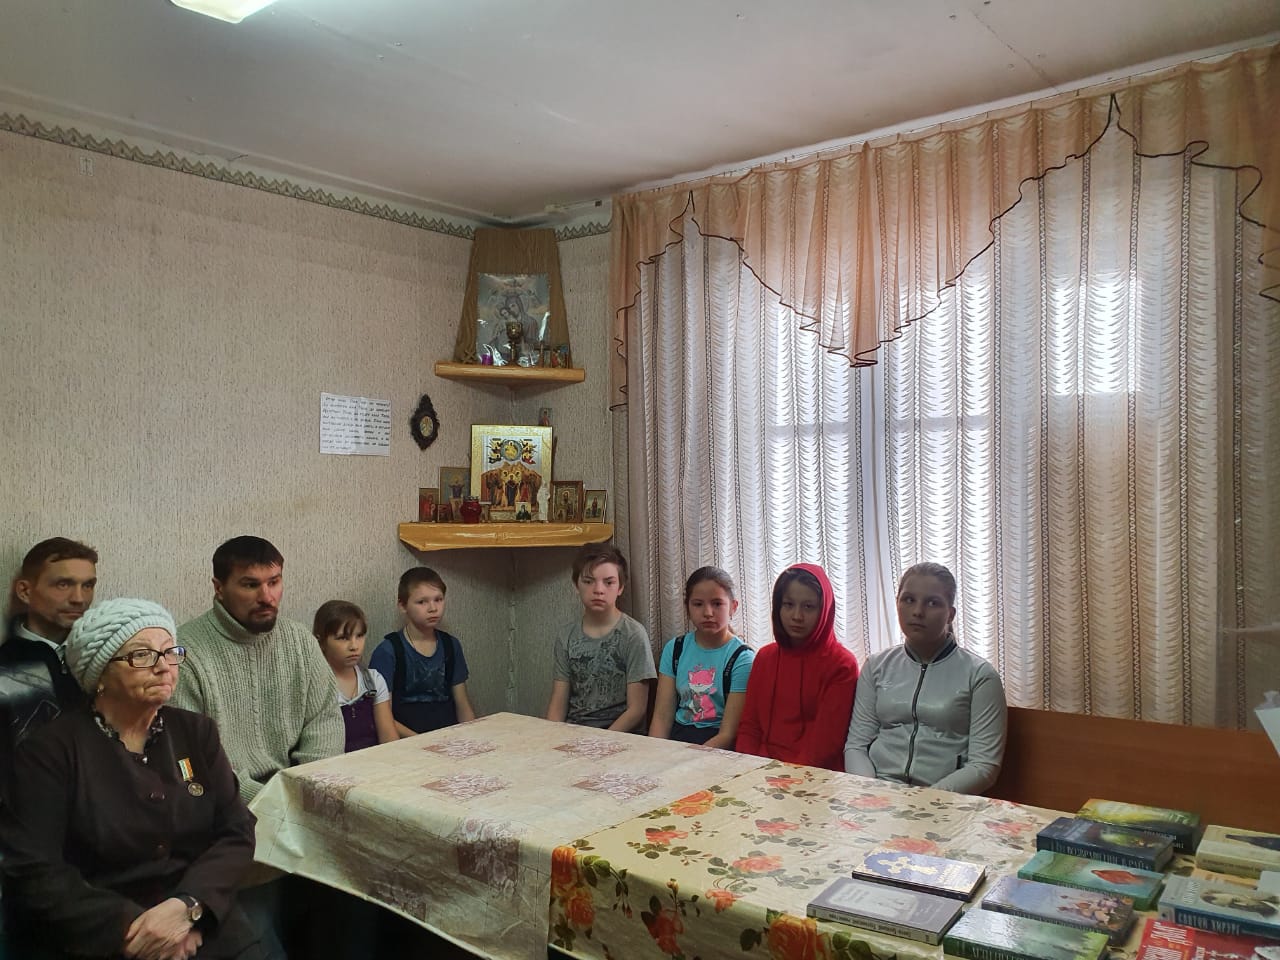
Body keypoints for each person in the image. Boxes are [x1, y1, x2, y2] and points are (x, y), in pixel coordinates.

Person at [0, 598, 266, 959]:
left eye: (170, 652)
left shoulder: (195, 732)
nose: (163, 666)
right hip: (103, 934)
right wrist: (138, 931)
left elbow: (236, 831)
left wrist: (189, 908)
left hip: (204, 921)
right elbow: (33, 869)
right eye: (141, 655)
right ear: (99, 675)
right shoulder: (49, 751)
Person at [172, 536, 343, 802]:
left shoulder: (300, 641)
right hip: (224, 806)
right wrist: (271, 802)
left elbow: (325, 722)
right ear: (219, 588)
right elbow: (188, 757)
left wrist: (308, 791)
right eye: (250, 585)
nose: (267, 597)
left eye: (274, 582)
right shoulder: (184, 654)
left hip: (304, 796)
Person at [843, 561, 1007, 794]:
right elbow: (856, 746)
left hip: (945, 800)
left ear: (950, 614)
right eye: (909, 600)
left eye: (932, 603)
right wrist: (870, 793)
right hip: (877, 794)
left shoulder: (980, 675)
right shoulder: (876, 666)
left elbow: (984, 766)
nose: (918, 611)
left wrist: (927, 799)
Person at [735, 563, 859, 770]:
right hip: (759, 769)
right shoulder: (765, 657)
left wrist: (786, 778)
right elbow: (750, 726)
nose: (797, 616)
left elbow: (825, 745)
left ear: (825, 609)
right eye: (788, 604)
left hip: (813, 774)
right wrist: (747, 768)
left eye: (808, 607)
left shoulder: (842, 664)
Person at [545, 544, 655, 732]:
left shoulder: (634, 634)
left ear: (620, 587)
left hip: (620, 736)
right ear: (576, 585)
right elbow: (558, 702)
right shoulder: (566, 636)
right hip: (574, 731)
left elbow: (636, 710)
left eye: (608, 582)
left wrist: (600, 741)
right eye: (588, 581)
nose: (598, 590)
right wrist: (550, 736)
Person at [648, 566, 755, 746]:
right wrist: (654, 752)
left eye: (717, 604)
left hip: (717, 743)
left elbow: (728, 734)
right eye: (698, 604)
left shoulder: (742, 658)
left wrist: (690, 759)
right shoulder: (675, 648)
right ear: (687, 608)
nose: (708, 613)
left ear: (733, 607)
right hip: (679, 735)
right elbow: (662, 717)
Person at [369, 567, 476, 736]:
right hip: (406, 739)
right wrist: (420, 741)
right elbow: (382, 716)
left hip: (448, 737)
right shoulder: (388, 651)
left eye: (438, 599)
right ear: (402, 606)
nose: (433, 608)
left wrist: (471, 737)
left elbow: (462, 705)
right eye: (422, 602)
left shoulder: (451, 645)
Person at [2, 537, 98, 714]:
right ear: (25, 592)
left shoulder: (101, 659)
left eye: (87, 585)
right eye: (63, 584)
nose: (79, 599)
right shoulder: (5, 665)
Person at [313, 600, 397, 751]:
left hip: (374, 761)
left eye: (359, 636)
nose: (354, 646)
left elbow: (389, 741)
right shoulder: (314, 686)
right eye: (343, 638)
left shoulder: (373, 680)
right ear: (321, 641)